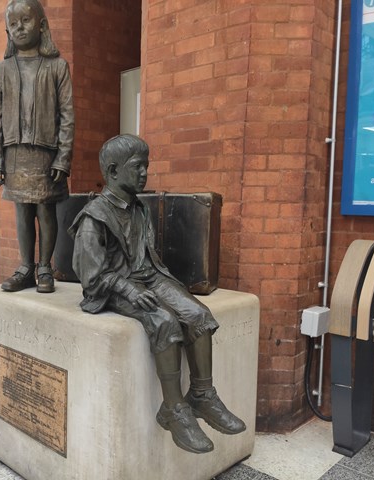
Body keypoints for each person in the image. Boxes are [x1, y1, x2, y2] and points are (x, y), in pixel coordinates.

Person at [69, 134, 245, 454]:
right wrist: (128, 289)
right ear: (112, 171)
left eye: (146, 167)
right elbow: (90, 273)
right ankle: (173, 409)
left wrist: (164, 285)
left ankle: (202, 395)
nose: (144, 173)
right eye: (137, 167)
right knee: (164, 320)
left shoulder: (140, 208)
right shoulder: (94, 216)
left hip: (150, 278)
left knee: (199, 316)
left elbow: (148, 258)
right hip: (114, 285)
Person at [0, 0, 74, 294]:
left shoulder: (57, 66)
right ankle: (25, 267)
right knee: (22, 210)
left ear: (42, 25)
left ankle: (45, 267)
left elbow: (67, 116)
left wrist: (63, 159)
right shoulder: (1, 71)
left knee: (45, 209)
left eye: (25, 21)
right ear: (7, 31)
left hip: (47, 154)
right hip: (14, 153)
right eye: (13, 24)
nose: (19, 28)